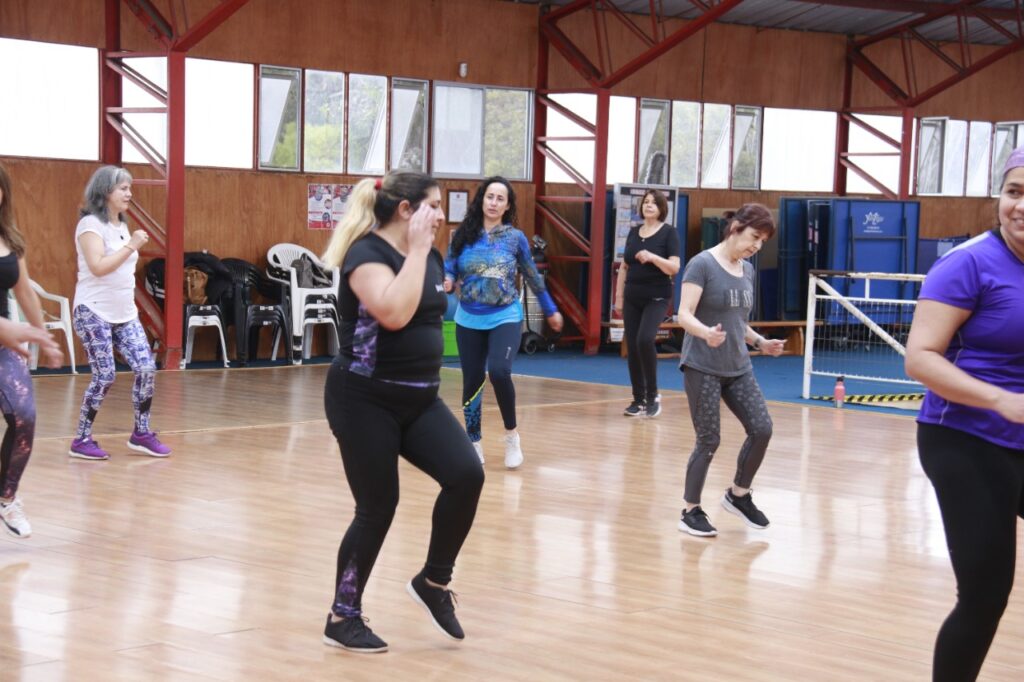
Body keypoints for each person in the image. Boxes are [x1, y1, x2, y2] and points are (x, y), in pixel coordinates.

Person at [320, 171, 484, 653]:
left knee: (466, 475)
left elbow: (427, 309)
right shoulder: (367, 255)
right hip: (363, 399)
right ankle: (342, 615)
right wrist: (415, 254)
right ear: (406, 210)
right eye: (432, 205)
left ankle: (433, 583)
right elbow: (392, 313)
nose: (441, 214)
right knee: (377, 509)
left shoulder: (431, 257)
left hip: (418, 398)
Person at [905, 145, 1024, 681]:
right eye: (1014, 192)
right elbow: (920, 358)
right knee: (985, 593)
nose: (1019, 206)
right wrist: (1002, 401)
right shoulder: (968, 262)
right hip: (966, 439)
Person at [674, 203, 784, 537]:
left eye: (763, 241)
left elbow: (738, 321)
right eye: (754, 237)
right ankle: (690, 510)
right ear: (735, 227)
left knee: (762, 428)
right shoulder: (702, 264)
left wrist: (760, 341)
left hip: (738, 366)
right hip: (702, 366)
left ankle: (739, 495)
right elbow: (683, 314)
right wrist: (704, 332)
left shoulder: (746, 270)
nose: (757, 246)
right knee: (709, 439)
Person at [444, 176, 563, 468]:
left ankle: (511, 436)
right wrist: (447, 278)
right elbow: (450, 263)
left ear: (508, 205)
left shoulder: (515, 238)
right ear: (481, 200)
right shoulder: (463, 234)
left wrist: (550, 309)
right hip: (468, 317)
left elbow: (533, 277)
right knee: (472, 380)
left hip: (505, 316)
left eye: (500, 198)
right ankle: (474, 442)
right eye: (490, 197)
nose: (494, 203)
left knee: (498, 371)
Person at [69, 166, 170, 460]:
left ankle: (141, 433)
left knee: (146, 367)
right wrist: (132, 246)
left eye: (129, 187)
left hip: (124, 313)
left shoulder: (121, 225)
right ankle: (81, 438)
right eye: (123, 188)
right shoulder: (90, 225)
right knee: (105, 375)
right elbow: (99, 267)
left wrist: (128, 242)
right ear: (105, 192)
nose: (129, 193)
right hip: (93, 310)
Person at [0, 161, 64, 538]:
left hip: (7, 345)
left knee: (24, 416)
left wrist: (45, 338)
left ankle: (7, 498)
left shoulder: (10, 238)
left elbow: (23, 290)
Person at [613, 189, 680, 418]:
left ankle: (653, 396)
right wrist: (618, 297)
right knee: (632, 345)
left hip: (657, 296)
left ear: (662, 208)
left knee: (644, 339)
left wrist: (653, 257)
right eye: (646, 202)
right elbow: (624, 266)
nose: (648, 205)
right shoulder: (633, 233)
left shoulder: (669, 233)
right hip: (633, 296)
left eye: (653, 203)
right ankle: (638, 399)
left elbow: (674, 267)